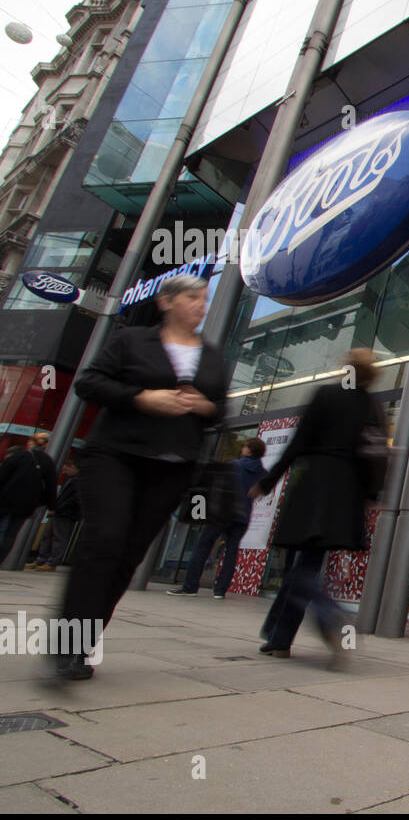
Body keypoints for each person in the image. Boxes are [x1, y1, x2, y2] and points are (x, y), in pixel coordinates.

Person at [56, 274, 226, 679]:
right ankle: (67, 644)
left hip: (171, 466)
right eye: (192, 297)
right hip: (116, 454)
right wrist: (141, 397)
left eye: (204, 298)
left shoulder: (213, 356)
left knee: (129, 555)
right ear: (167, 302)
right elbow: (89, 383)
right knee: (106, 539)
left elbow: (219, 410)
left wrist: (204, 407)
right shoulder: (131, 340)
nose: (201, 305)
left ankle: (84, 641)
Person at [250, 348, 384, 665]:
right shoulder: (372, 408)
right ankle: (278, 637)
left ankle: (331, 615)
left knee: (295, 568)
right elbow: (375, 457)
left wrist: (268, 482)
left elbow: (298, 444)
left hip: (315, 486)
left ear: (345, 368)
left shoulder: (326, 395)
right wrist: (369, 497)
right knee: (308, 563)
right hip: (346, 492)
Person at [168, 437, 267, 598]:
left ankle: (190, 586)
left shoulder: (234, 466)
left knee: (203, 546)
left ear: (249, 450)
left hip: (223, 512)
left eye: (244, 447)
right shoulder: (263, 473)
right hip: (243, 515)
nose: (242, 449)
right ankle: (220, 591)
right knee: (231, 553)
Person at [0, 432, 57, 563]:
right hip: (27, 505)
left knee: (2, 528)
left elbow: (2, 476)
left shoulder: (19, 456)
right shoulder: (47, 462)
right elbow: (51, 486)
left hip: (6, 500)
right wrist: (51, 506)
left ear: (31, 442)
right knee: (12, 533)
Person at [27, 459, 80, 570]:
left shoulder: (79, 481)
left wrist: (57, 508)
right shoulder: (70, 480)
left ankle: (51, 562)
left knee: (58, 538)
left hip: (65, 514)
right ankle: (41, 560)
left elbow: (73, 500)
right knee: (47, 536)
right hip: (58, 512)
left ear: (73, 467)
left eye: (66, 469)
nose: (64, 472)